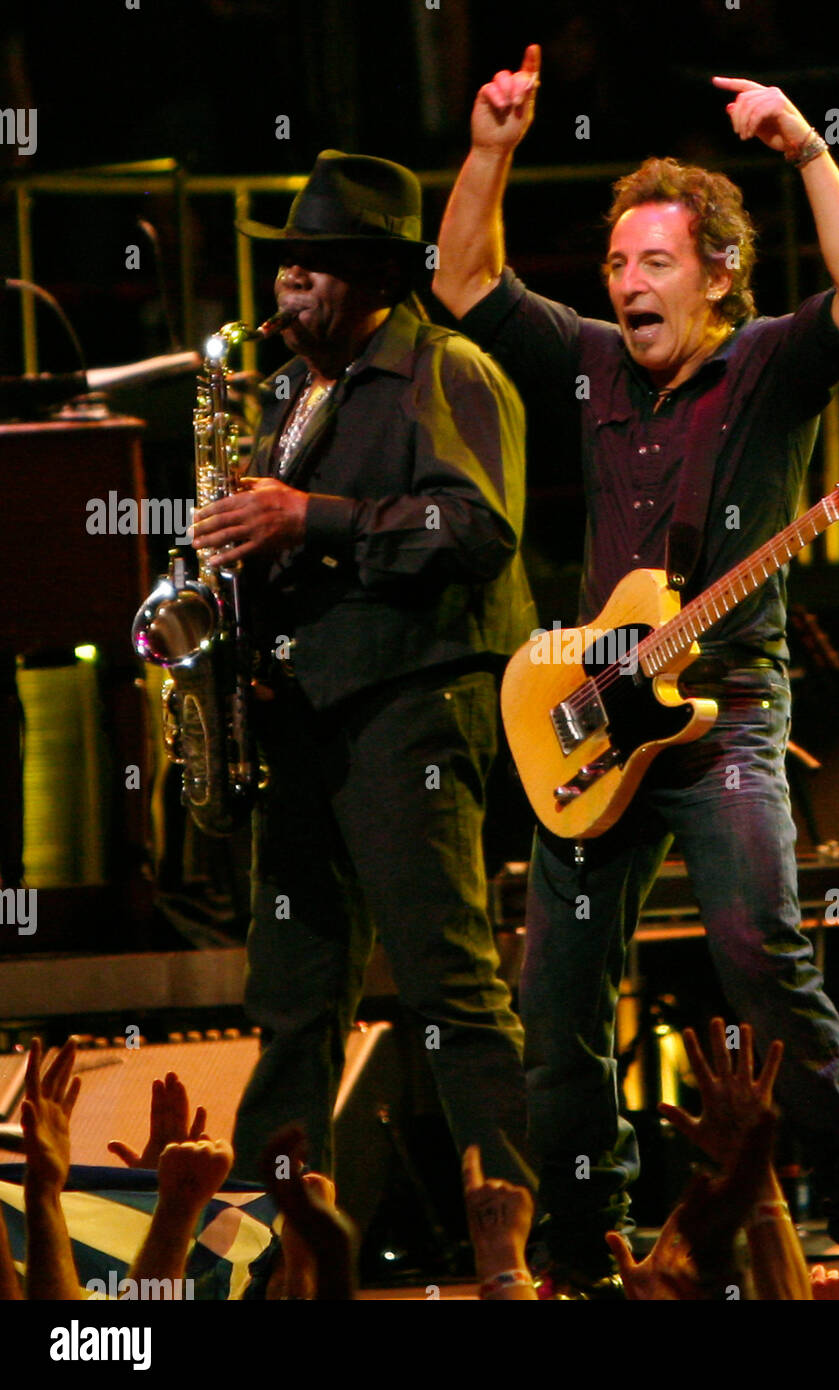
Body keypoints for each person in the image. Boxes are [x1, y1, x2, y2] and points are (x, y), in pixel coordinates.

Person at [434, 46, 839, 1292]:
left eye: (654, 265)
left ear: (715, 275)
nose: (627, 284)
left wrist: (800, 142)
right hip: (593, 721)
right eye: (617, 265)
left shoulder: (767, 366)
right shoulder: (585, 362)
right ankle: (589, 1246)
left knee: (759, 948)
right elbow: (464, 280)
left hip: (723, 711)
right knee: (559, 992)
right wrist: (489, 150)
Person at [193, 150, 535, 1190]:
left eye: (314, 264)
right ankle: (266, 1249)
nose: (287, 283)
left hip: (410, 706)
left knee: (450, 986)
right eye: (284, 263)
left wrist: (312, 518)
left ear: (379, 278)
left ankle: (528, 1240)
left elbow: (478, 527)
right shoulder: (292, 394)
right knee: (292, 998)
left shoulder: (448, 371)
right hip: (305, 714)